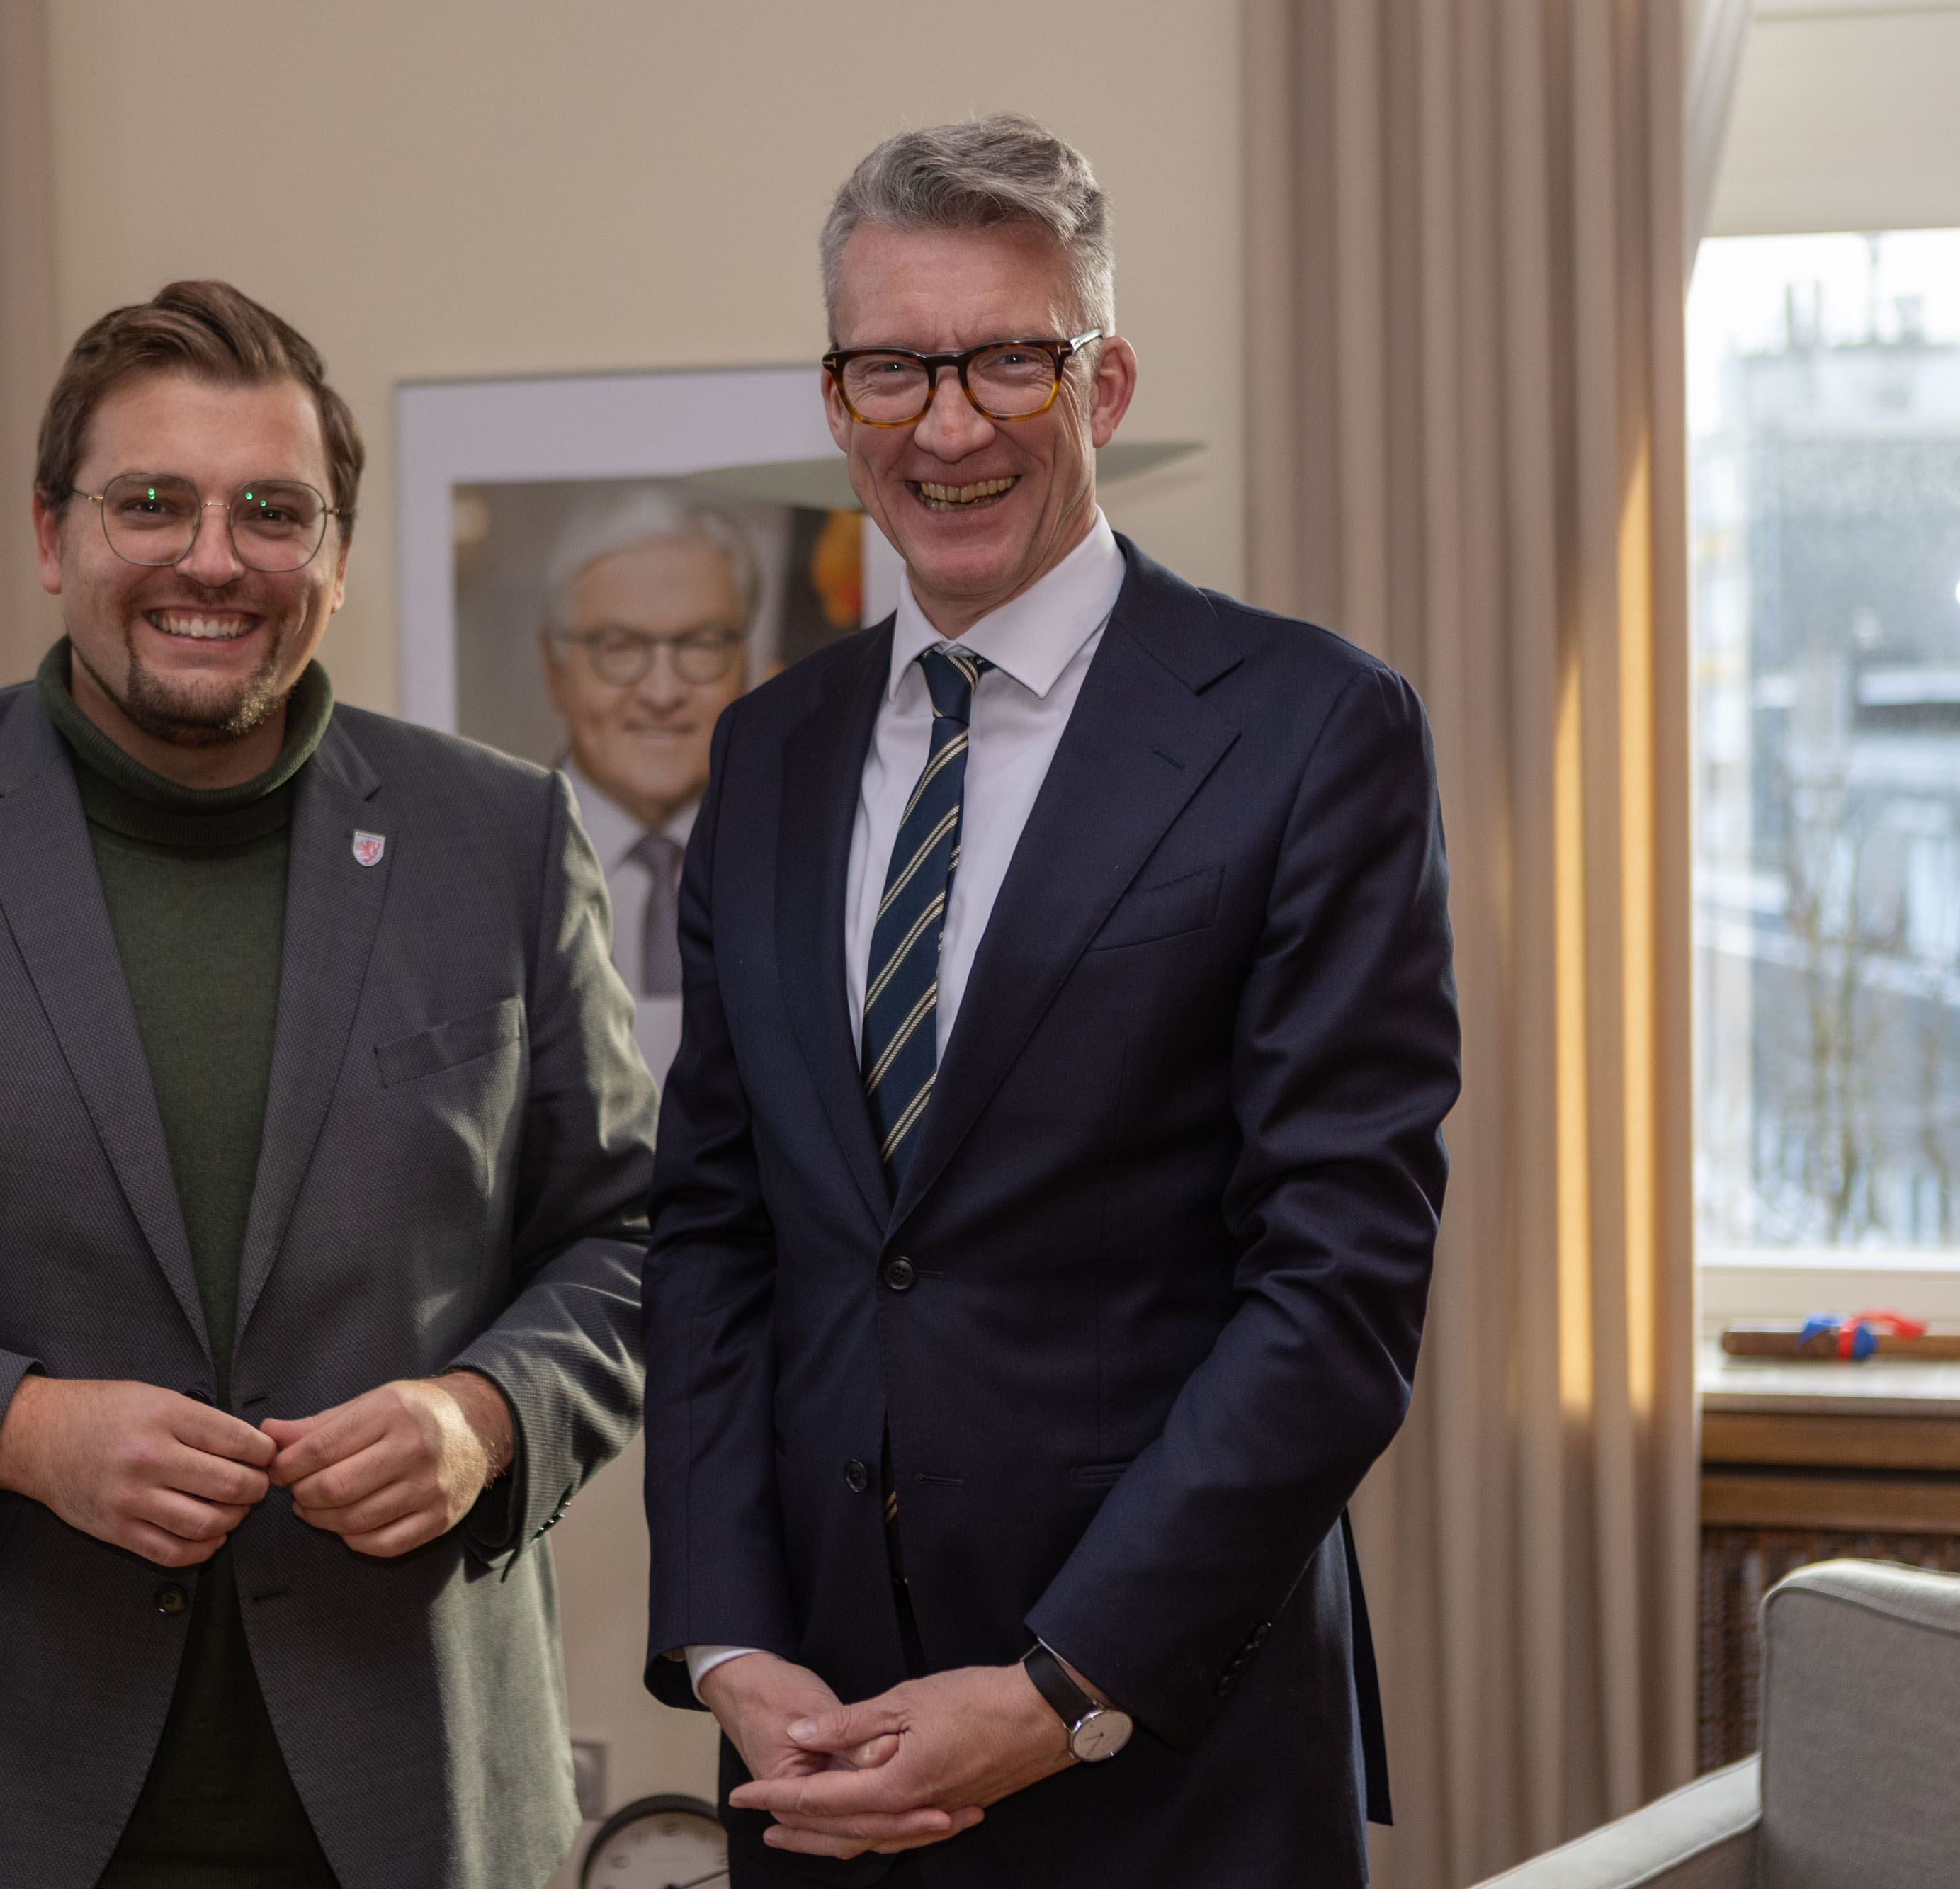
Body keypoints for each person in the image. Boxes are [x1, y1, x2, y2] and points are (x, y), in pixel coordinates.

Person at [0, 280, 653, 1889]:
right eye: (150, 501)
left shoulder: (499, 839)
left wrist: (487, 1415)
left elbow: (638, 1238)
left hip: (392, 1800)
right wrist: (13, 1431)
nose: (212, 558)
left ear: (335, 556)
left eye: (272, 512)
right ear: (53, 532)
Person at [640, 117, 1459, 1885]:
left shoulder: (1310, 729)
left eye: (1010, 358)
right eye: (891, 369)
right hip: (820, 1754)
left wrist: (1058, 1686)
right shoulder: (767, 752)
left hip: (1164, 1742)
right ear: (836, 398)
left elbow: (1336, 1285)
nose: (947, 427)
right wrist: (723, 1639)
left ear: (1104, 380)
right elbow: (712, 1229)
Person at [537, 489, 761, 1080]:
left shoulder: (808, 859)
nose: (663, 693)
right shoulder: (491, 870)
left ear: (747, 660)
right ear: (554, 668)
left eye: (702, 644)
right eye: (620, 647)